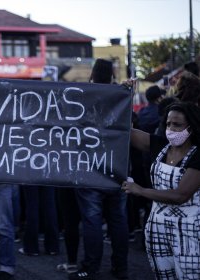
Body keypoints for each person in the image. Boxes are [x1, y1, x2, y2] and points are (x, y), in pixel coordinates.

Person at [122, 102, 200, 280]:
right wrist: (124, 97)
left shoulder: (197, 155)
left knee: (190, 275)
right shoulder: (160, 145)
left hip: (189, 232)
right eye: (168, 123)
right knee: (162, 275)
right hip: (157, 227)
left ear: (192, 127)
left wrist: (141, 190)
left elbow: (181, 195)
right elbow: (124, 131)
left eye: (177, 125)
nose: (171, 128)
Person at [72, 58, 129, 280]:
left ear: (93, 74)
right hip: (117, 166)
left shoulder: (83, 96)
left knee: (92, 221)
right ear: (112, 74)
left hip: (89, 168)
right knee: (118, 219)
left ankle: (91, 267)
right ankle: (121, 267)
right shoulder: (120, 96)